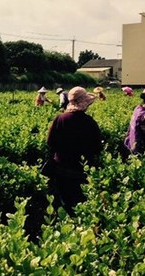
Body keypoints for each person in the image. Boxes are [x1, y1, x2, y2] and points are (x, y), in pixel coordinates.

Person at [27, 86, 102, 241]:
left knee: (64, 203)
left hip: (61, 169)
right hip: (82, 171)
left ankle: (66, 235)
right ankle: (84, 235)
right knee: (81, 203)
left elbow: (50, 142)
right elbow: (97, 148)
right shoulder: (90, 122)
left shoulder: (59, 119)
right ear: (85, 104)